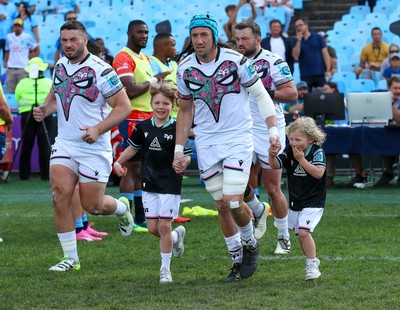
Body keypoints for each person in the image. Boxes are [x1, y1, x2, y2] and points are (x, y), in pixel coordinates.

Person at [174, 14, 279, 282]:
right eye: (194, 35)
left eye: (203, 35)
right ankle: (236, 259)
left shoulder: (236, 61)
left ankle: (250, 245)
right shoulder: (185, 68)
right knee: (221, 205)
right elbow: (185, 111)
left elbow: (261, 95)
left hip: (237, 139)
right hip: (207, 143)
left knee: (233, 200)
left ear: (213, 36)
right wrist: (179, 149)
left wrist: (273, 130)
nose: (198, 40)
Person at [32, 20, 133, 271]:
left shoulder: (102, 70)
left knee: (93, 206)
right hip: (65, 143)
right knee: (59, 195)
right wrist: (45, 109)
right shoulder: (59, 65)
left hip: (93, 147)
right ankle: (71, 258)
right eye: (64, 40)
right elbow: (57, 96)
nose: (68, 45)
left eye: (73, 40)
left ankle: (121, 208)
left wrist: (98, 129)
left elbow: (124, 107)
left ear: (85, 40)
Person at [114, 81, 190, 283]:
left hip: (170, 183)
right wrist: (118, 161)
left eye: (165, 103)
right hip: (148, 182)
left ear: (173, 105)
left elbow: (188, 154)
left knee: (164, 225)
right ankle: (175, 238)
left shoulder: (178, 128)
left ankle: (165, 270)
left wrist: (183, 162)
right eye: (157, 103)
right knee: (153, 229)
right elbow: (133, 148)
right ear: (151, 104)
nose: (160, 107)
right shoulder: (143, 127)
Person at [234, 21, 298, 254]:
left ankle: (283, 236)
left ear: (258, 39)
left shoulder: (273, 61)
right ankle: (257, 212)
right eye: (237, 39)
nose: (240, 44)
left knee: (272, 186)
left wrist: (261, 90)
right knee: (238, 185)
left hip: (268, 128)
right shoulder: (231, 60)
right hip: (241, 128)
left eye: (245, 39)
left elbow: (291, 93)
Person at [112, 20, 171, 233]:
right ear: (129, 33)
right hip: (131, 119)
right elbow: (129, 90)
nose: (144, 36)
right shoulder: (123, 57)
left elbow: (147, 87)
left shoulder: (144, 58)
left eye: (146, 32)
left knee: (141, 171)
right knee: (131, 169)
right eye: (139, 32)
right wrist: (153, 81)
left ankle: (139, 217)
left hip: (146, 119)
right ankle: (125, 219)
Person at [268, 116, 326, 280]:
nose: (293, 143)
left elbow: (318, 173)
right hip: (296, 201)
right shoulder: (289, 150)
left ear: (311, 138)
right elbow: (275, 165)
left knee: (303, 233)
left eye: (298, 139)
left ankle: (312, 265)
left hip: (314, 201)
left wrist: (301, 160)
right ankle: (311, 260)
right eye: (291, 139)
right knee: (300, 234)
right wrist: (271, 156)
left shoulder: (317, 152)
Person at [15, 57, 52, 181]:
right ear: (42, 70)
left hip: (27, 115)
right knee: (44, 145)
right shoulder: (48, 82)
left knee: (26, 144)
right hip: (45, 114)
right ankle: (46, 175)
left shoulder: (22, 83)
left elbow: (17, 97)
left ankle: (24, 175)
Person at [292, 18, 332, 91]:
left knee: (322, 96)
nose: (299, 27)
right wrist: (299, 41)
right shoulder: (296, 41)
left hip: (319, 73)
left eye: (300, 25)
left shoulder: (318, 37)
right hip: (305, 74)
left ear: (306, 25)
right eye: (297, 26)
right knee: (307, 99)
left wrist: (328, 70)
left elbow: (325, 54)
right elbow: (295, 56)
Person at [375, 76, 400, 186]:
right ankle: (388, 171)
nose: (398, 91)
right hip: (385, 132)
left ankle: (389, 172)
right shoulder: (379, 99)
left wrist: (391, 103)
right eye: (395, 88)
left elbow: (399, 119)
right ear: (388, 88)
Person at [4, 18, 37, 93]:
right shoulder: (9, 37)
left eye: (19, 26)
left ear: (22, 27)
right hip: (11, 67)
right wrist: (5, 61)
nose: (17, 28)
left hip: (23, 67)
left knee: (23, 91)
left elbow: (35, 48)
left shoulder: (27, 37)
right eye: (15, 26)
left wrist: (32, 59)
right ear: (13, 27)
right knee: (10, 91)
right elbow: (7, 50)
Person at [149, 33, 178, 118]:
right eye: (173, 45)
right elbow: (154, 87)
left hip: (177, 115)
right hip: (162, 117)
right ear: (164, 47)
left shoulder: (174, 64)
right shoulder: (152, 63)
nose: (175, 49)